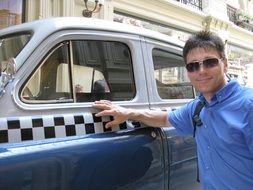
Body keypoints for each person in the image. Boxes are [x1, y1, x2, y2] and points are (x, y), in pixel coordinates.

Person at [93, 30, 253, 190]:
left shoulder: (248, 105)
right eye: (193, 66)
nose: (201, 71)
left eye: (210, 62)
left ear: (225, 64)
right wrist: (128, 113)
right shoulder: (199, 106)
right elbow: (165, 119)